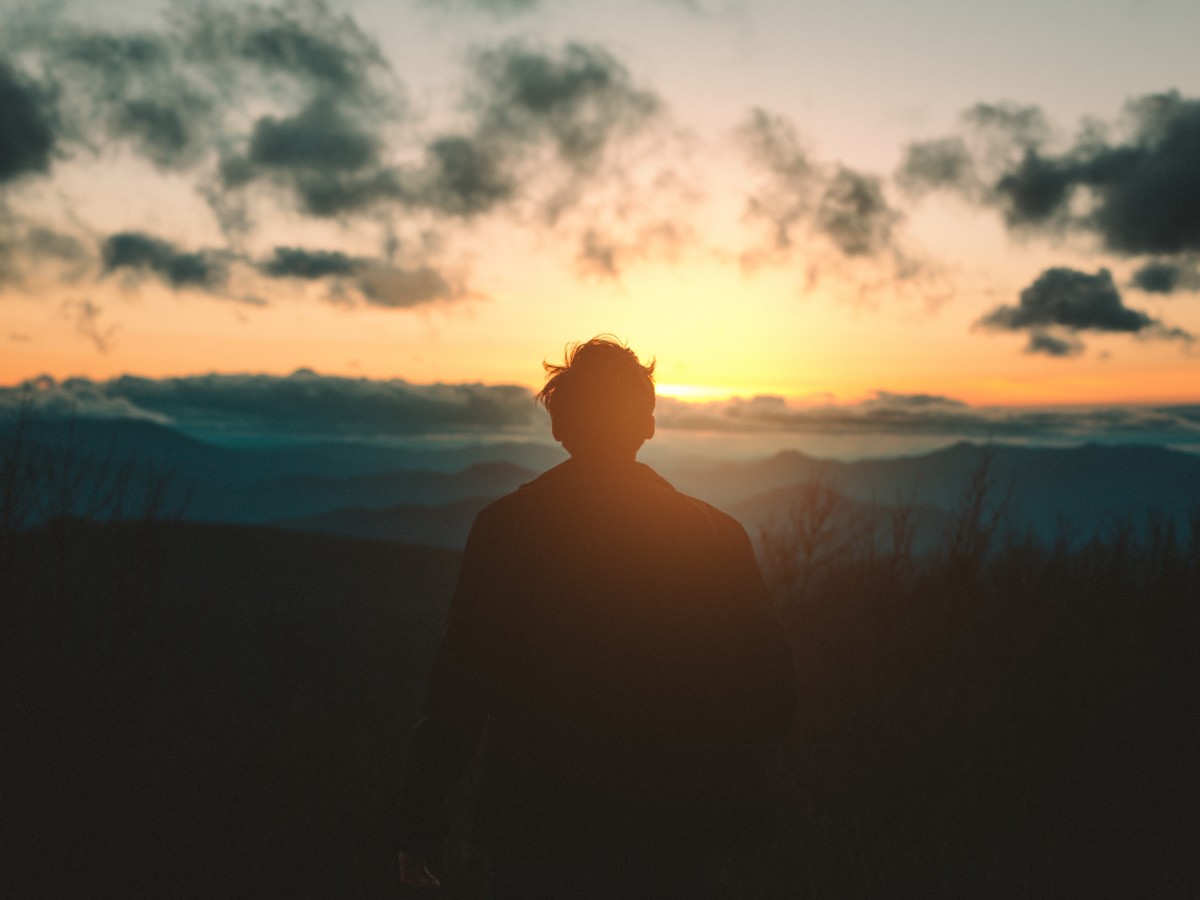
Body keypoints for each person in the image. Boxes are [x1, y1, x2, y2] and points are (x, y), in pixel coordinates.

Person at [395, 337, 795, 898]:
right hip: (669, 833)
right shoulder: (715, 535)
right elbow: (770, 683)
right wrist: (714, 783)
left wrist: (420, 818)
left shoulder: (506, 530)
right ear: (648, 424)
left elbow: (460, 687)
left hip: (536, 832)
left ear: (560, 426)